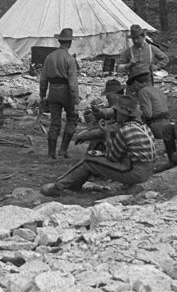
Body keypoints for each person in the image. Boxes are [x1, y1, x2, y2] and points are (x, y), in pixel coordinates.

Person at [40, 96, 156, 197]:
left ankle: (59, 186)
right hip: (146, 170)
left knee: (89, 160)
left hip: (134, 172)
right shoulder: (144, 127)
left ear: (122, 114)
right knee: (96, 156)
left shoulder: (125, 130)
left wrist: (106, 133)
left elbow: (112, 157)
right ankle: (74, 184)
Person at [39, 27, 80, 159]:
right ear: (70, 43)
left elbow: (43, 79)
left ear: (59, 41)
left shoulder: (49, 57)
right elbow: (73, 83)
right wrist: (76, 100)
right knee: (72, 118)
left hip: (53, 91)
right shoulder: (70, 59)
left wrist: (42, 95)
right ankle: (63, 150)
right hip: (66, 92)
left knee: (54, 122)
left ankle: (51, 153)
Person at [127, 74, 177, 164]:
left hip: (157, 126)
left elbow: (148, 114)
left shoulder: (142, 91)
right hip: (167, 122)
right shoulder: (156, 89)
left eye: (131, 86)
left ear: (135, 83)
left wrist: (134, 111)